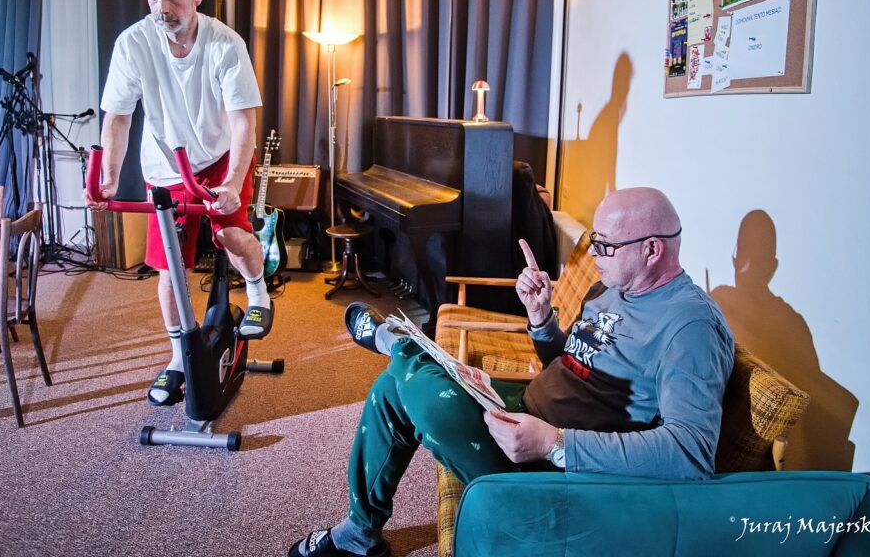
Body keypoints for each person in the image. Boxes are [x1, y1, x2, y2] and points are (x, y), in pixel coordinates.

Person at [290, 187, 734, 557]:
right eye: (595, 240)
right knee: (391, 388)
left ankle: (398, 342)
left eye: (606, 245)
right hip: (524, 408)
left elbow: (690, 454)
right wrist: (541, 320)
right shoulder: (610, 287)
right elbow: (570, 362)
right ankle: (360, 531)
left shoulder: (690, 326)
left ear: (652, 249)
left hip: (556, 474)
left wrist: (555, 443)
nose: (594, 253)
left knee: (426, 398)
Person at [86, 0, 272, 408]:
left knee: (231, 236)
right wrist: (109, 179)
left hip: (220, 157)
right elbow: (118, 119)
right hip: (166, 165)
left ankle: (257, 291)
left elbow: (244, 122)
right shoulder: (133, 43)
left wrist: (232, 184)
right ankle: (177, 357)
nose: (161, 7)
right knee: (170, 265)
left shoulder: (225, 45)